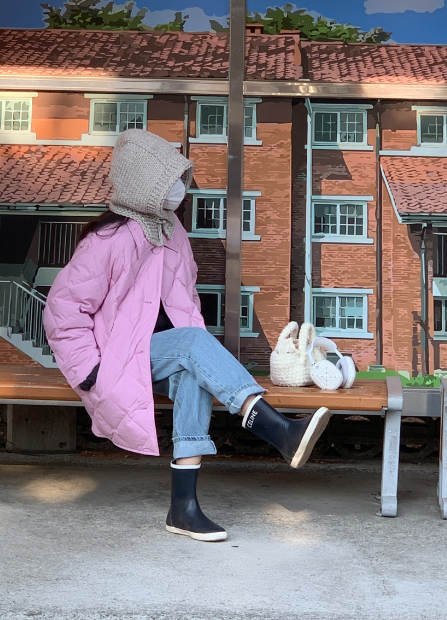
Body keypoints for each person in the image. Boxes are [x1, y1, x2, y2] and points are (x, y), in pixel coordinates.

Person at [43, 129, 331, 543]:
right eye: (168, 180)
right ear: (144, 186)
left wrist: (196, 353)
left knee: (194, 372)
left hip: (159, 356)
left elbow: (186, 298)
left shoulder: (172, 231)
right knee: (194, 342)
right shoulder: (107, 241)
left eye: (180, 178)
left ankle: (183, 507)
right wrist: (89, 370)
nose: (179, 189)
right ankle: (277, 430)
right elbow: (64, 311)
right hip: (115, 357)